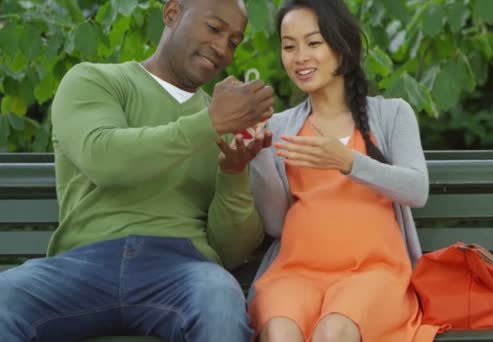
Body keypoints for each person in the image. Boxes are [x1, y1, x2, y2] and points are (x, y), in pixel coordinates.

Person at [0, 0, 274, 340]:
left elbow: (230, 252)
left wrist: (234, 174)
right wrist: (210, 123)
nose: (222, 48)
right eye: (214, 29)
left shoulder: (224, 124)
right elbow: (104, 159)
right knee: (4, 297)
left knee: (220, 297)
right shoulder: (94, 80)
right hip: (82, 266)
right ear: (172, 13)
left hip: (182, 269)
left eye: (234, 41)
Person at [247, 0, 440, 341]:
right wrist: (258, 153)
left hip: (373, 274)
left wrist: (347, 161)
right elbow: (276, 223)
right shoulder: (280, 126)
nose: (299, 56)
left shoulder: (392, 114)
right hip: (295, 274)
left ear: (342, 46)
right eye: (289, 46)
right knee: (278, 333)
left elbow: (416, 189)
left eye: (313, 43)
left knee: (334, 333)